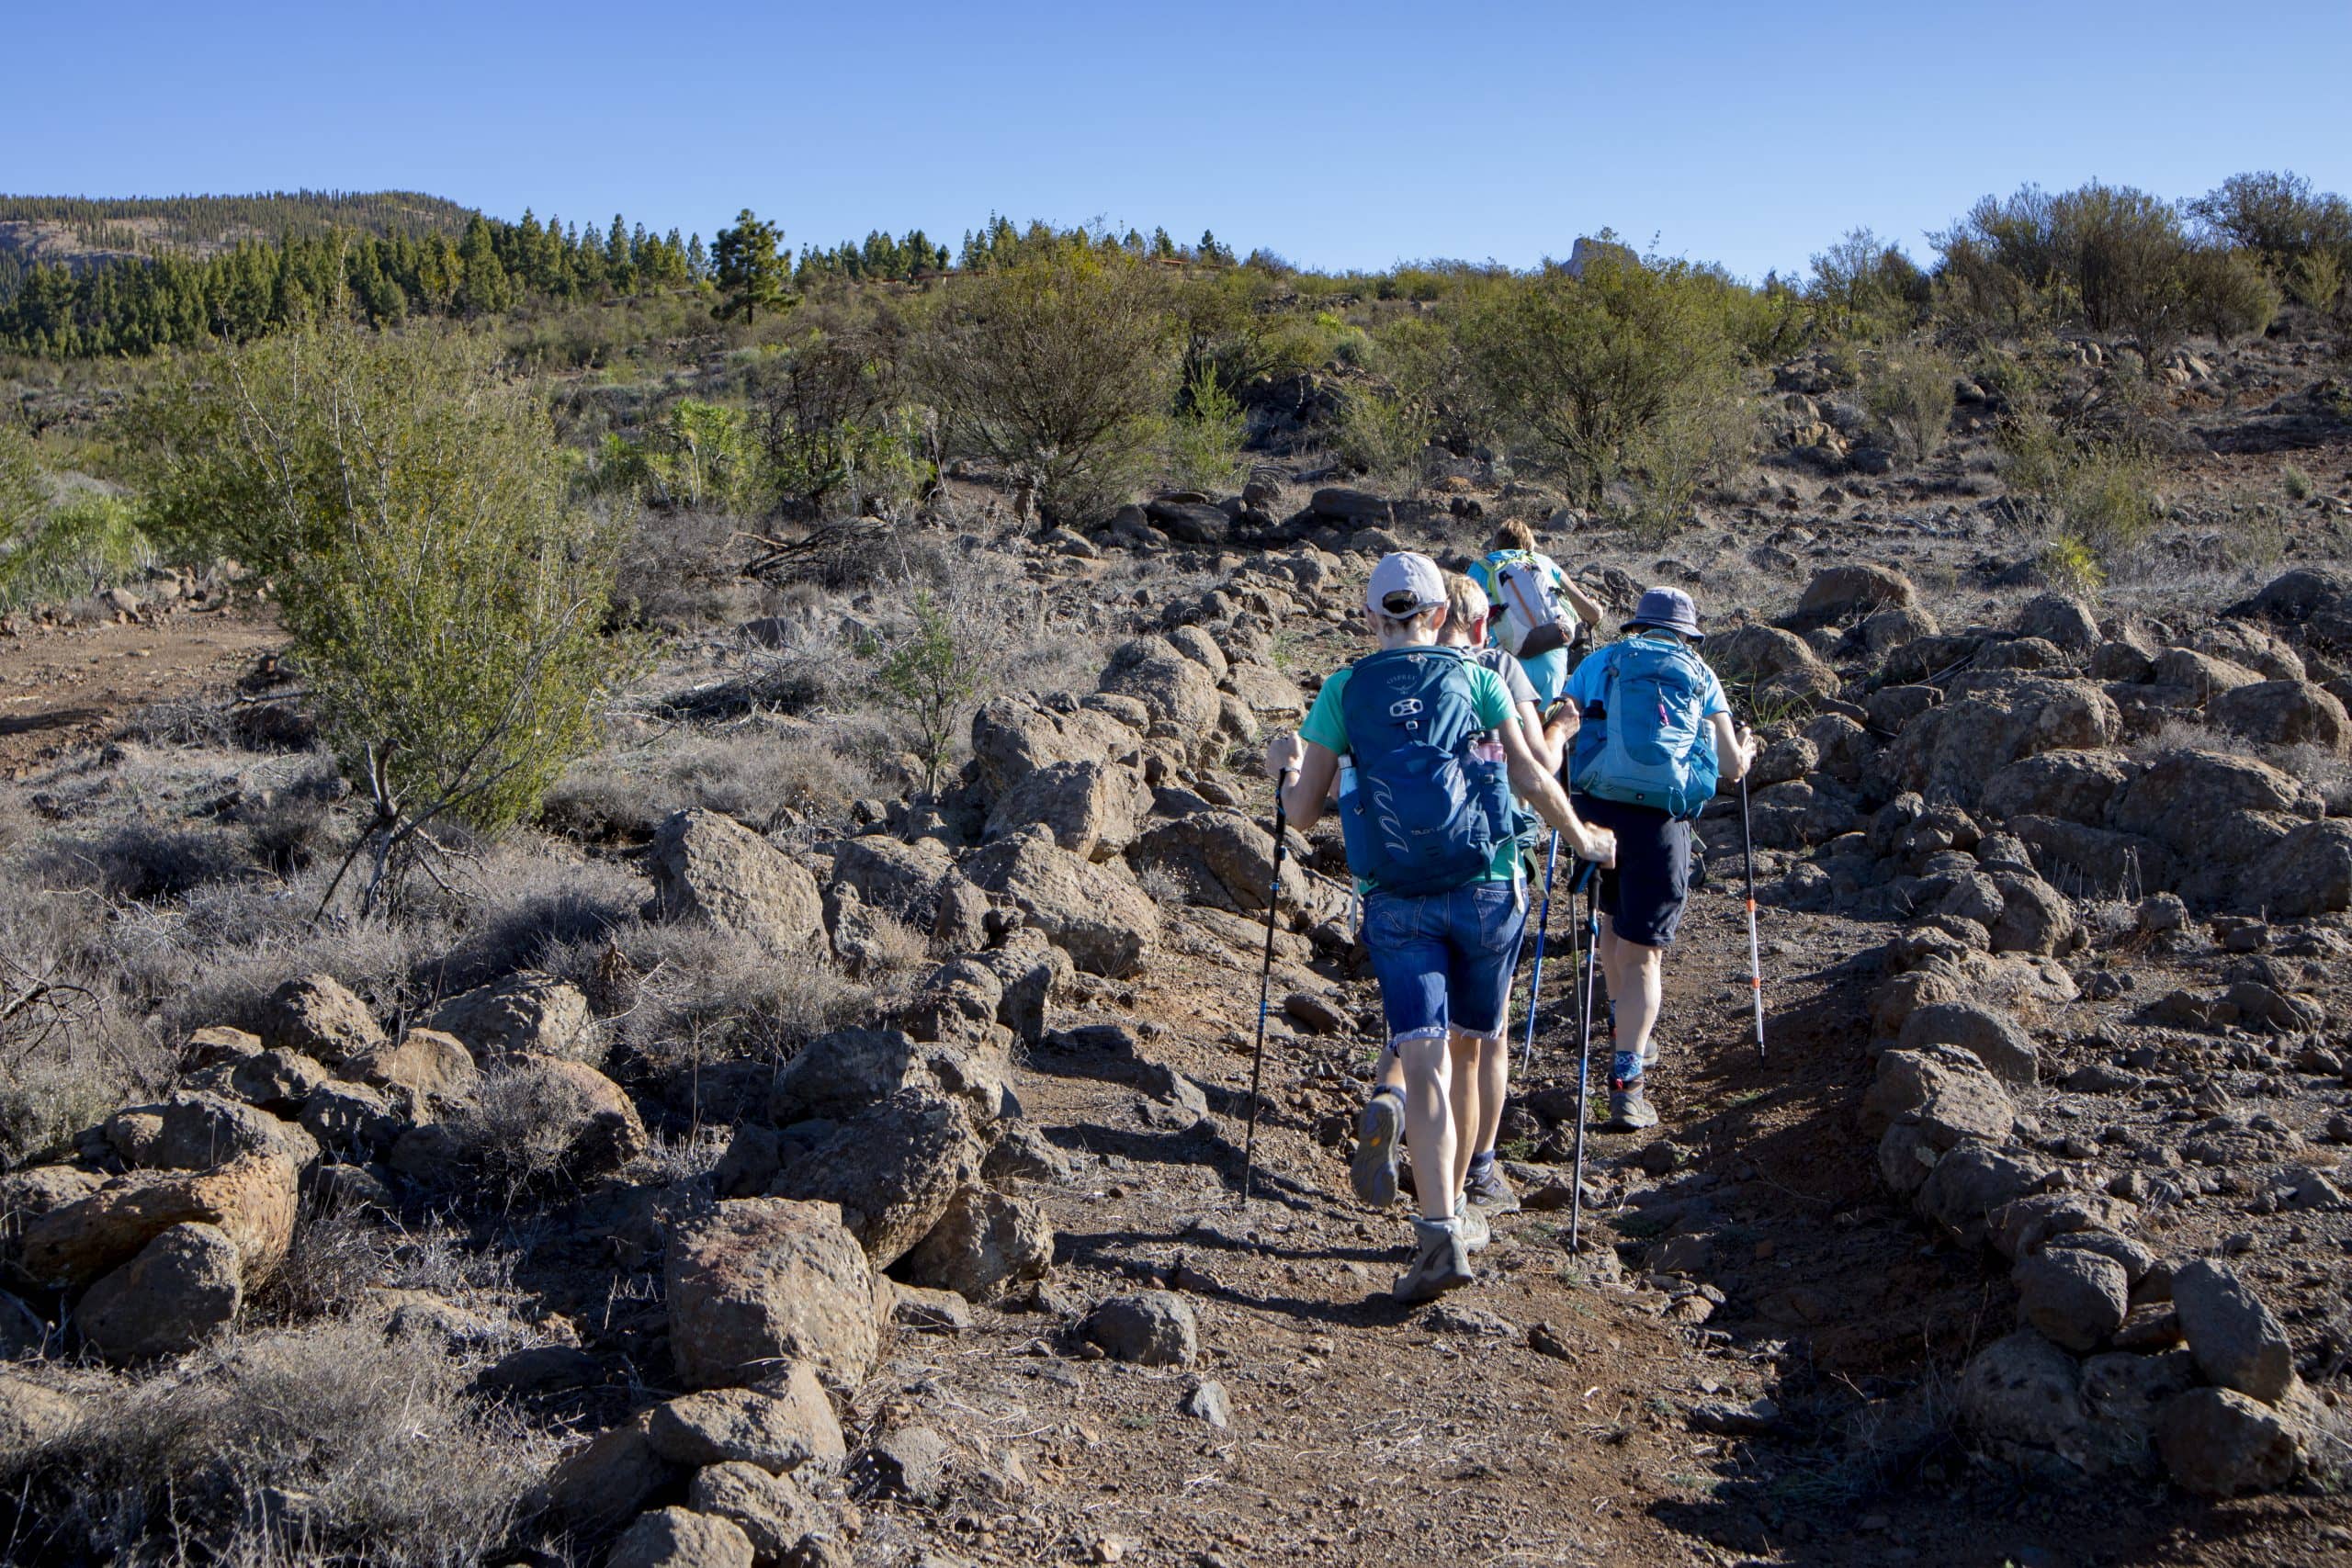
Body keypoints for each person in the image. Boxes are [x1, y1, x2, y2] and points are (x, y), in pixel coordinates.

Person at [1266, 553, 1613, 1303]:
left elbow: (1299, 814)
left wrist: (1283, 767)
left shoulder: (1343, 690)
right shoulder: (1480, 677)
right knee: (1471, 1048)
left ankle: (1439, 1229)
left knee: (1420, 1055)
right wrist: (1583, 839)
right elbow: (1527, 775)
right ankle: (1459, 1200)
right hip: (1486, 888)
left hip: (1395, 898)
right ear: (1438, 614)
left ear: (1369, 619)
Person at [1355, 571, 1571, 1216]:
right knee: (1479, 1040)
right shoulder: (1493, 668)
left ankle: (1391, 1100)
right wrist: (1563, 731)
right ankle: (1472, 1175)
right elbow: (1537, 768)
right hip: (1491, 870)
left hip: (1398, 876)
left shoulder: (1367, 684)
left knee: (1418, 1029)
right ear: (1470, 619)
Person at [1561, 586, 1754, 1131]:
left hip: (1597, 815)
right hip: (1660, 823)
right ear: (1687, 632)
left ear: (1637, 626)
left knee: (1612, 930)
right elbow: (1729, 769)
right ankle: (1628, 1079)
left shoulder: (1601, 662)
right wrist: (1748, 748)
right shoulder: (1699, 673)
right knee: (1645, 953)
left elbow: (1568, 721)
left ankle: (1628, 1040)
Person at [1476, 518, 1605, 705]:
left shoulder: (1481, 567)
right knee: (1544, 731)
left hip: (1505, 662)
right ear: (1530, 543)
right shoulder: (1545, 563)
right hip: (1551, 660)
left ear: (1496, 544)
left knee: (1509, 730)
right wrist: (1596, 608)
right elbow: (1593, 615)